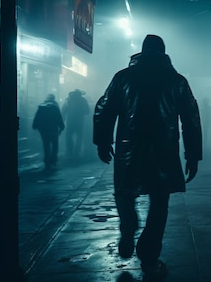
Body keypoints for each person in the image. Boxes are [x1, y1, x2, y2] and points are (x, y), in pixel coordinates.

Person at [93, 34, 203, 279]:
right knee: (159, 202)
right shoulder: (177, 81)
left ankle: (128, 225)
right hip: (164, 149)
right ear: (164, 52)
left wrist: (102, 141)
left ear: (141, 52)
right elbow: (191, 119)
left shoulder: (123, 78)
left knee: (125, 191)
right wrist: (193, 155)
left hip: (128, 149)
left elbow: (104, 109)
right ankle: (149, 254)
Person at [32, 94, 65, 170]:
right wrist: (62, 127)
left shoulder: (41, 106)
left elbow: (37, 117)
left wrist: (34, 126)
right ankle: (53, 160)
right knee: (55, 145)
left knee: (46, 145)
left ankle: (47, 161)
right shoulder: (55, 107)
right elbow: (59, 118)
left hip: (43, 130)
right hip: (53, 129)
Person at [62, 88, 90, 158]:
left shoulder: (68, 99)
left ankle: (69, 151)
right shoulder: (83, 100)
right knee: (79, 138)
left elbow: (63, 111)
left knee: (68, 136)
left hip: (70, 121)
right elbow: (87, 111)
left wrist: (63, 120)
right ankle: (77, 153)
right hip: (80, 122)